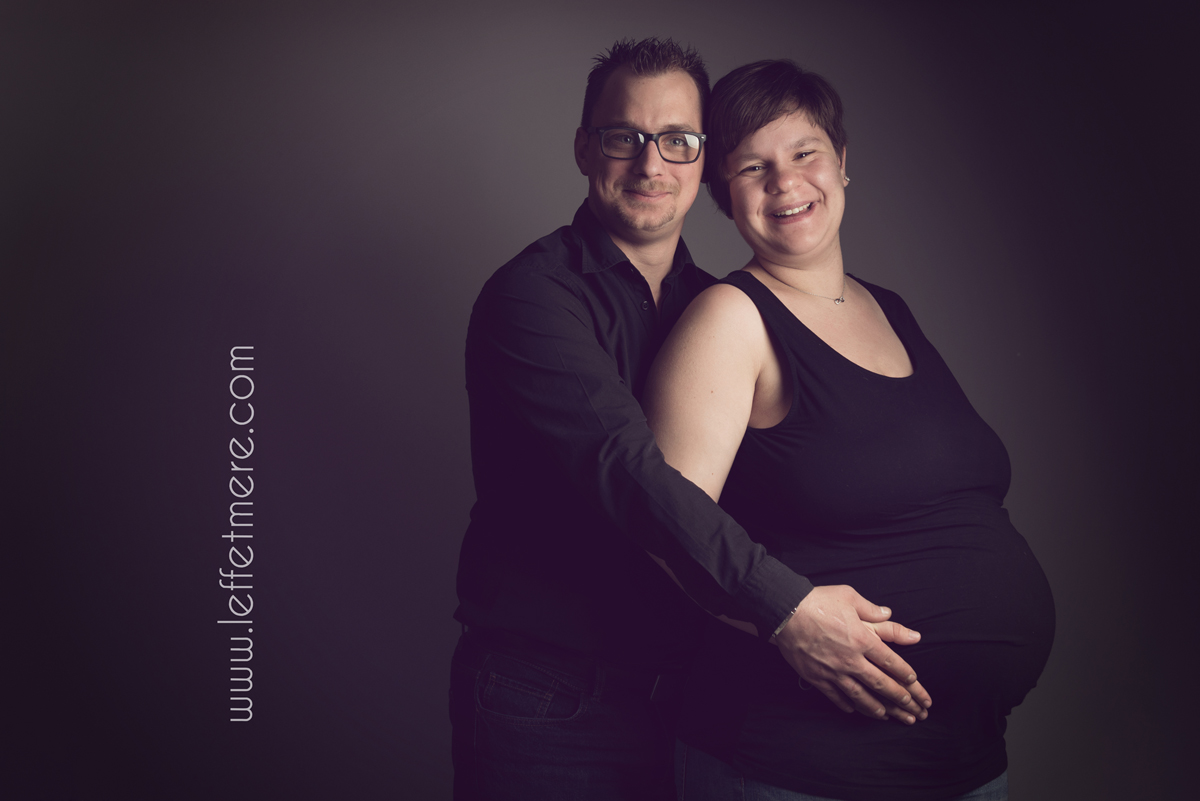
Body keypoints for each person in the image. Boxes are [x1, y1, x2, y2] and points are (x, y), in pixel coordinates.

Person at [451, 41, 931, 800]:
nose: (651, 164)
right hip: (552, 698)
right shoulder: (532, 297)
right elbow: (630, 474)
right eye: (624, 137)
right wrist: (790, 611)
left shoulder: (720, 307)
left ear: (703, 161)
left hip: (696, 698)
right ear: (583, 149)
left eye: (677, 140)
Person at [645, 60, 1055, 800]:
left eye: (804, 152)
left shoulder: (889, 307)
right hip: (801, 767)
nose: (786, 182)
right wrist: (788, 620)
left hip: (964, 763)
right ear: (723, 197)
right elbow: (666, 529)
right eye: (753, 167)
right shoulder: (730, 319)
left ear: (841, 162)